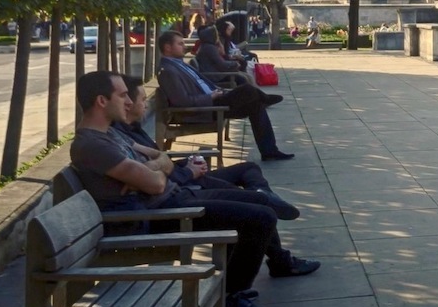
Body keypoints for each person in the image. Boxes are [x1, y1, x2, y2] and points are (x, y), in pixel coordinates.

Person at [68, 71, 318, 307]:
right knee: (261, 218)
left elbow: (159, 156)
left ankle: (264, 266)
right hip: (156, 215)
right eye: (122, 95)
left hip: (173, 199)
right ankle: (231, 296)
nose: (130, 102)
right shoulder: (92, 145)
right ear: (102, 101)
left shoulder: (110, 134)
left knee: (259, 202)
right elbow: (155, 184)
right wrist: (153, 171)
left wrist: (149, 170)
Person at [109, 74, 300, 219]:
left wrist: (182, 164)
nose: (144, 104)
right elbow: (154, 175)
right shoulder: (114, 138)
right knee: (256, 206)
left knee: (250, 171)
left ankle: (265, 194)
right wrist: (187, 171)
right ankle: (265, 200)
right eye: (140, 99)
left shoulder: (129, 130)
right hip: (180, 188)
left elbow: (159, 160)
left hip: (179, 181)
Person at [157, 29, 293, 160]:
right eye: (180, 44)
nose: (184, 46)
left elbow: (202, 83)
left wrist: (218, 91)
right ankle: (266, 98)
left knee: (255, 104)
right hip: (204, 110)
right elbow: (182, 101)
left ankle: (270, 151)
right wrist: (210, 96)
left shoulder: (179, 64)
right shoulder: (168, 70)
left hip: (213, 100)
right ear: (168, 47)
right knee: (247, 90)